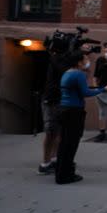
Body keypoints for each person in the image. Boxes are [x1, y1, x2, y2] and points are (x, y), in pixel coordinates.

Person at [56, 50, 107, 184]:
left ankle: (61, 173)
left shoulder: (67, 73)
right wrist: (103, 89)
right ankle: (66, 175)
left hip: (65, 109)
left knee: (64, 143)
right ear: (79, 62)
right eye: (85, 59)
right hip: (74, 111)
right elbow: (85, 92)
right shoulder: (78, 74)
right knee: (71, 143)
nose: (87, 62)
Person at [38, 45, 67, 175]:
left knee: (59, 131)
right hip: (51, 100)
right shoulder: (54, 59)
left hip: (60, 99)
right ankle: (45, 162)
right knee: (50, 132)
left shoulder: (60, 59)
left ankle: (54, 159)